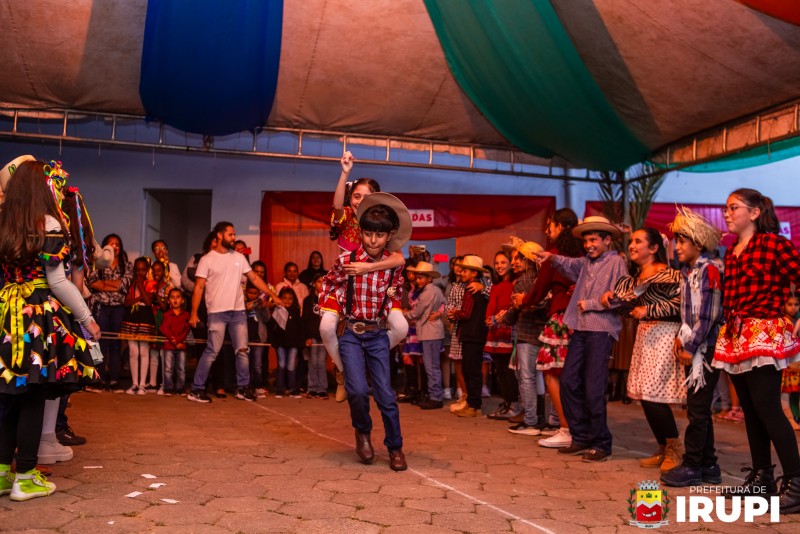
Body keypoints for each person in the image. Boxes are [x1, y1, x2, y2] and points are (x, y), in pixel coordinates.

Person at [0, 159, 102, 501]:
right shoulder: (48, 224)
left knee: (9, 394)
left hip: (6, 313)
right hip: (37, 317)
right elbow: (58, 281)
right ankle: (26, 476)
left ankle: (2, 474)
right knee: (32, 395)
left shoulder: (3, 221)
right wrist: (87, 318)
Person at [712, 189, 800, 512]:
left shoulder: (773, 244)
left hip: (764, 331)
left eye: (733, 207)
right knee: (750, 408)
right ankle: (762, 479)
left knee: (768, 406)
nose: (727, 213)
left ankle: (797, 482)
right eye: (726, 208)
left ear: (754, 212)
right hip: (737, 334)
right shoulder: (732, 251)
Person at [320, 192, 411, 471]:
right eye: (368, 234)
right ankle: (362, 433)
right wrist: (330, 308)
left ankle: (395, 447)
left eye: (379, 235)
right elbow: (329, 282)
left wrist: (393, 306)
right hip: (350, 333)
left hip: (377, 334)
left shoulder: (391, 266)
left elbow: (397, 286)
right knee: (358, 390)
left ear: (389, 236)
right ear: (360, 232)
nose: (373, 240)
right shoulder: (347, 259)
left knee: (386, 395)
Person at [534, 216, 628, 462]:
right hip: (580, 328)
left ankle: (601, 443)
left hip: (601, 330)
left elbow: (622, 297)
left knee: (593, 387)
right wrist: (551, 257)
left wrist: (593, 303)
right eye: (586, 241)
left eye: (593, 240)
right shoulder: (586, 262)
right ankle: (581, 436)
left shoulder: (616, 262)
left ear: (607, 240)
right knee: (568, 380)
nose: (588, 245)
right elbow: (569, 263)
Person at [321, 152, 408, 403]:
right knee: (326, 327)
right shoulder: (347, 218)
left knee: (402, 327)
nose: (360, 200)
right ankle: (345, 371)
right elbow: (337, 207)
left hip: (376, 289)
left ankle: (366, 356)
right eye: (356, 196)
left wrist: (366, 268)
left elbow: (399, 259)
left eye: (366, 196)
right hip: (347, 287)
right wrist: (345, 172)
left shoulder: (382, 223)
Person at [601, 228, 685, 471]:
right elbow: (628, 310)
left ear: (654, 248)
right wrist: (612, 299)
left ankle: (675, 448)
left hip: (665, 334)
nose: (632, 245)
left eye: (638, 241)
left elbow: (681, 304)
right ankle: (663, 446)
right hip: (645, 335)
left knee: (653, 394)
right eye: (631, 241)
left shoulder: (671, 275)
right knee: (643, 395)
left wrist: (650, 310)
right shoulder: (632, 279)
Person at [660, 207, 724, 487]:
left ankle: (692, 466)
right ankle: (709, 465)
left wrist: (692, 345)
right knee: (700, 409)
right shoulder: (689, 272)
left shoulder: (709, 270)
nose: (677, 247)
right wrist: (681, 337)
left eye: (683, 241)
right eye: (677, 242)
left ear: (698, 244)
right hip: (695, 346)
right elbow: (689, 315)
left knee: (697, 411)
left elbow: (709, 315)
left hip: (705, 350)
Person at [513, 208, 583, 448]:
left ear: (560, 227)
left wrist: (523, 300)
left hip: (561, 317)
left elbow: (539, 290)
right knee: (575, 374)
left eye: (550, 225)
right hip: (583, 319)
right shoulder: (584, 253)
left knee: (550, 371)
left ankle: (565, 428)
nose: (546, 230)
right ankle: (577, 427)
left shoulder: (554, 256)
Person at [188, 221, 279, 403]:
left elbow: (254, 278)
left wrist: (273, 295)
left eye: (234, 234)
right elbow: (198, 287)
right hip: (217, 312)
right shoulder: (207, 259)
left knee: (242, 350)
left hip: (238, 312)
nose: (234, 237)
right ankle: (196, 389)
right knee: (212, 351)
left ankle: (243, 388)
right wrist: (194, 313)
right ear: (219, 235)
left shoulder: (239, 258)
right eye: (231, 234)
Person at [501, 239, 548, 435]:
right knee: (542, 379)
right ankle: (544, 419)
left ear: (529, 260)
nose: (514, 262)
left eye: (518, 258)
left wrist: (504, 317)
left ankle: (530, 421)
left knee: (526, 378)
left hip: (527, 334)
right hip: (543, 334)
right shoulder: (542, 280)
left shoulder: (522, 282)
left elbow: (515, 311)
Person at [87, 234, 133, 391]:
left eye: (117, 244)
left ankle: (114, 380)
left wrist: (105, 284)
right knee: (99, 342)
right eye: (111, 243)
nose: (115, 247)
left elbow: (124, 285)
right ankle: (98, 379)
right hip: (101, 306)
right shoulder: (97, 263)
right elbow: (93, 283)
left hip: (118, 308)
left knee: (115, 344)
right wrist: (114, 285)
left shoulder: (127, 265)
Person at [448, 255, 491, 418]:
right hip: (472, 334)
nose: (462, 273)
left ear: (474, 273)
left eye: (465, 270)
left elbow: (466, 313)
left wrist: (456, 313)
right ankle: (471, 403)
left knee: (472, 371)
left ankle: (474, 405)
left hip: (473, 334)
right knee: (469, 369)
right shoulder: (474, 287)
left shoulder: (472, 289)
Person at [404, 262, 446, 409]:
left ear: (429, 278)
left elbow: (416, 313)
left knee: (431, 366)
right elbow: (445, 304)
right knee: (432, 366)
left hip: (430, 333)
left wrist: (402, 314)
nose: (418, 280)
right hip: (433, 332)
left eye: (421, 278)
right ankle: (435, 395)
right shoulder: (436, 290)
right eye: (418, 278)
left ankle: (435, 397)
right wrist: (440, 312)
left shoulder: (427, 293)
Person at [485, 251, 519, 421]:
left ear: (510, 264)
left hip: (507, 330)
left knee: (508, 370)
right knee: (500, 370)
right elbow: (492, 305)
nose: (499, 266)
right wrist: (489, 319)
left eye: (503, 262)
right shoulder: (495, 285)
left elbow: (511, 306)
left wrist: (498, 317)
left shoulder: (515, 283)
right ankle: (507, 402)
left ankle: (514, 404)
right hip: (495, 331)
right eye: (497, 263)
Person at [120, 257, 156, 395]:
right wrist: (138, 298)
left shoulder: (151, 283)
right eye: (138, 270)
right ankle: (134, 383)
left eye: (143, 270)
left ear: (147, 270)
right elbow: (126, 303)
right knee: (133, 351)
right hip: (131, 317)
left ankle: (142, 384)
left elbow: (148, 302)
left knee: (144, 352)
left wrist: (140, 286)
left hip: (145, 317)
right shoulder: (130, 283)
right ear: (134, 270)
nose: (140, 272)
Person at [270, 287, 305, 398]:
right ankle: (280, 389)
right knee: (281, 364)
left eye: (290, 298)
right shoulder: (277, 311)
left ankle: (293, 390)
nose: (287, 300)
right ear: (280, 298)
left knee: (291, 365)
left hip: (293, 344)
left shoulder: (296, 312)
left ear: (294, 300)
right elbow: (272, 328)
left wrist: (301, 343)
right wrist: (274, 342)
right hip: (280, 343)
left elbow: (300, 329)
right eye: (284, 298)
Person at [160, 288, 190, 396]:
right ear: (168, 300)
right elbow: (165, 329)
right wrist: (175, 342)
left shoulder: (186, 315)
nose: (175, 300)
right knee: (168, 368)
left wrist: (178, 341)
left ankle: (180, 388)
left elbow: (186, 330)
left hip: (181, 345)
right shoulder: (166, 315)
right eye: (172, 297)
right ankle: (168, 388)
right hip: (169, 345)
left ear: (182, 300)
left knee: (181, 368)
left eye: (178, 297)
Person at [303, 274, 328, 399]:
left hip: (324, 335)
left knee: (321, 362)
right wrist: (307, 336)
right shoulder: (308, 300)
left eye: (324, 282)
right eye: (319, 281)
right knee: (312, 362)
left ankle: (322, 389)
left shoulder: (328, 299)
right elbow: (305, 319)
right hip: (312, 335)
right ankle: (312, 388)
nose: (321, 284)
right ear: (314, 284)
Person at [784, 295, 800, 430]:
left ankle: (795, 418)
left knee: (795, 391)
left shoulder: (797, 320)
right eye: (790, 304)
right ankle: (789, 419)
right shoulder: (783, 321)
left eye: (796, 304)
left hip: (796, 360)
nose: (793, 307)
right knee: (786, 392)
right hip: (786, 360)